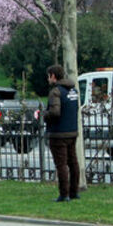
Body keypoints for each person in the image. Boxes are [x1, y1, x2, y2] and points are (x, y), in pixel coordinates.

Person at [44, 64, 81, 202]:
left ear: (53, 76)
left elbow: (55, 112)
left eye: (48, 76)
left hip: (58, 133)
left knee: (61, 165)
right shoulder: (73, 91)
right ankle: (74, 192)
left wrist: (43, 114)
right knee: (73, 163)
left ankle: (64, 194)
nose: (48, 79)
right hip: (72, 131)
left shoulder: (56, 92)